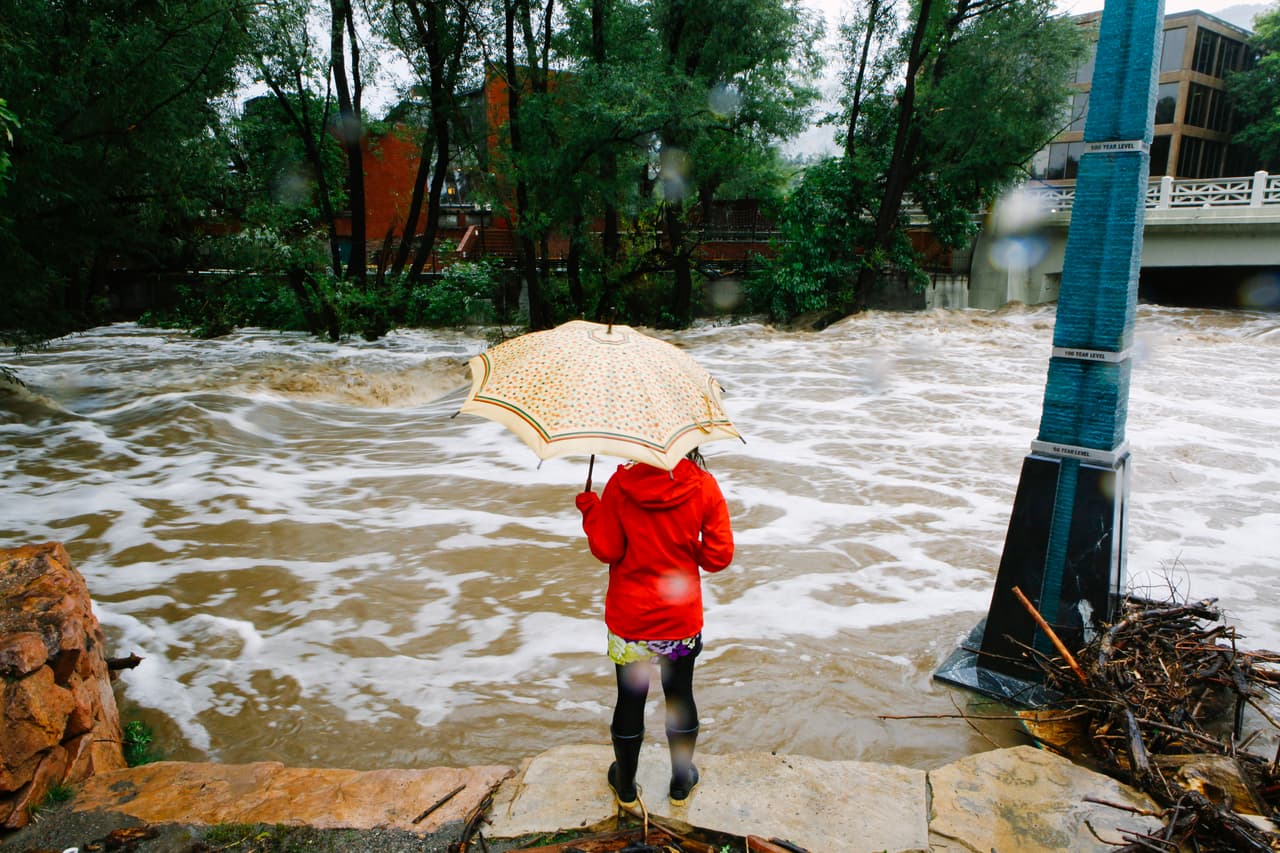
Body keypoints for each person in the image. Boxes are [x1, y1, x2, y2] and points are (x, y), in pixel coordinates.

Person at [574, 448, 734, 808]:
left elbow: (608, 549)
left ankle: (626, 784)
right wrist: (688, 546)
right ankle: (680, 783)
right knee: (679, 695)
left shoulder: (619, 485)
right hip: (679, 623)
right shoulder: (704, 486)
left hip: (631, 622)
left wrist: (590, 510)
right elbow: (719, 556)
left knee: (630, 699)